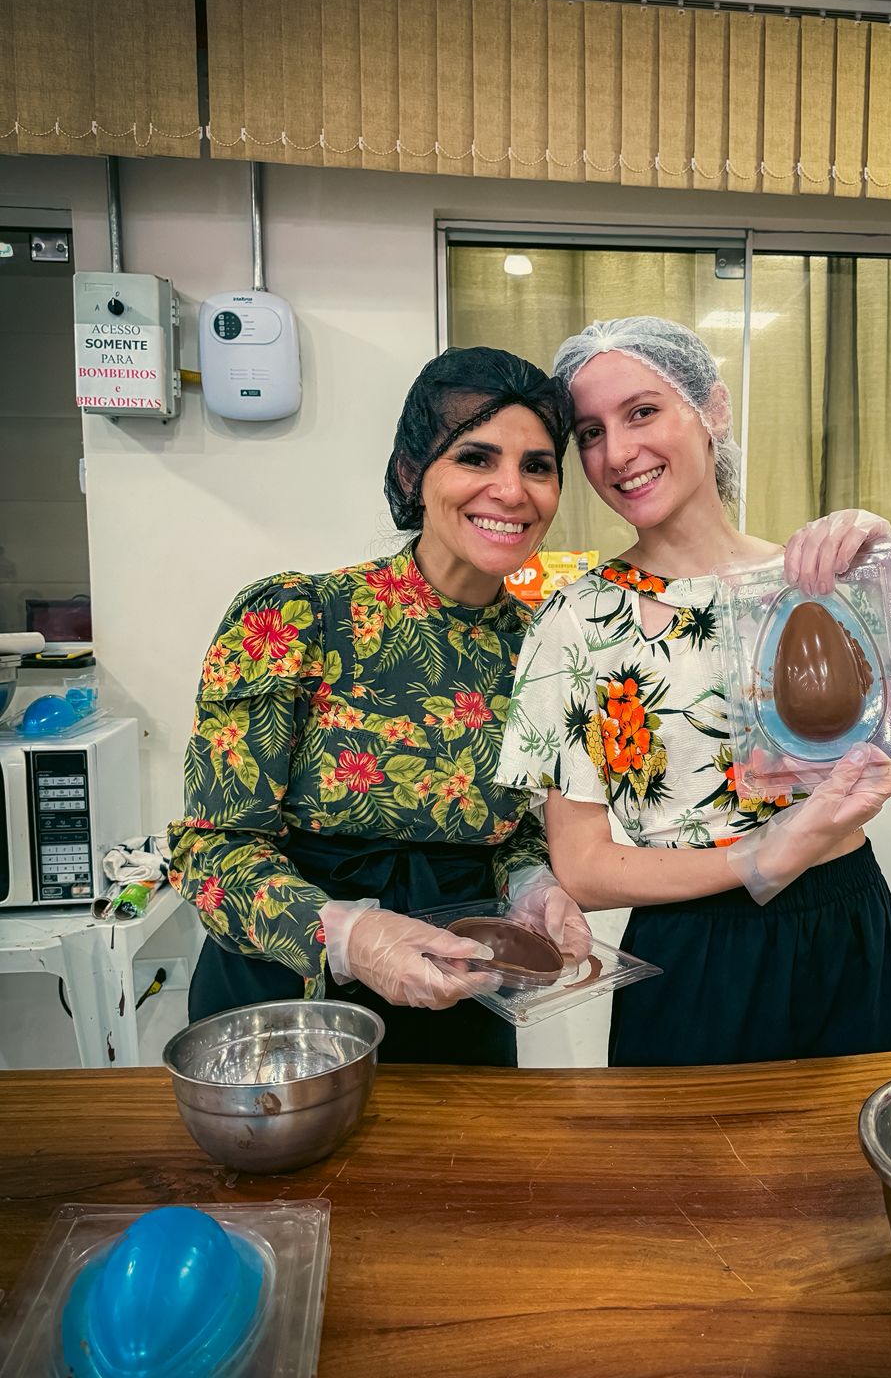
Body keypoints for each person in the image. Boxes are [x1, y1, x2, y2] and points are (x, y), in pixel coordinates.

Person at [497, 317, 891, 1067]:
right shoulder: (577, 621)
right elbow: (581, 868)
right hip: (694, 945)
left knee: (841, 1141)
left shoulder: (820, 583)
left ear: (712, 408)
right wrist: (759, 857)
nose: (617, 453)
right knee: (686, 1147)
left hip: (844, 923)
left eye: (642, 412)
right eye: (590, 433)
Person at [169, 347, 589, 1067]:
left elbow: (513, 827)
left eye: (538, 467)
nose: (511, 491)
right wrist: (352, 936)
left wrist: (532, 884)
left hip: (460, 994)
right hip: (287, 1001)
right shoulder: (298, 616)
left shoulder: (541, 649)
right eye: (476, 458)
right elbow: (210, 852)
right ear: (410, 474)